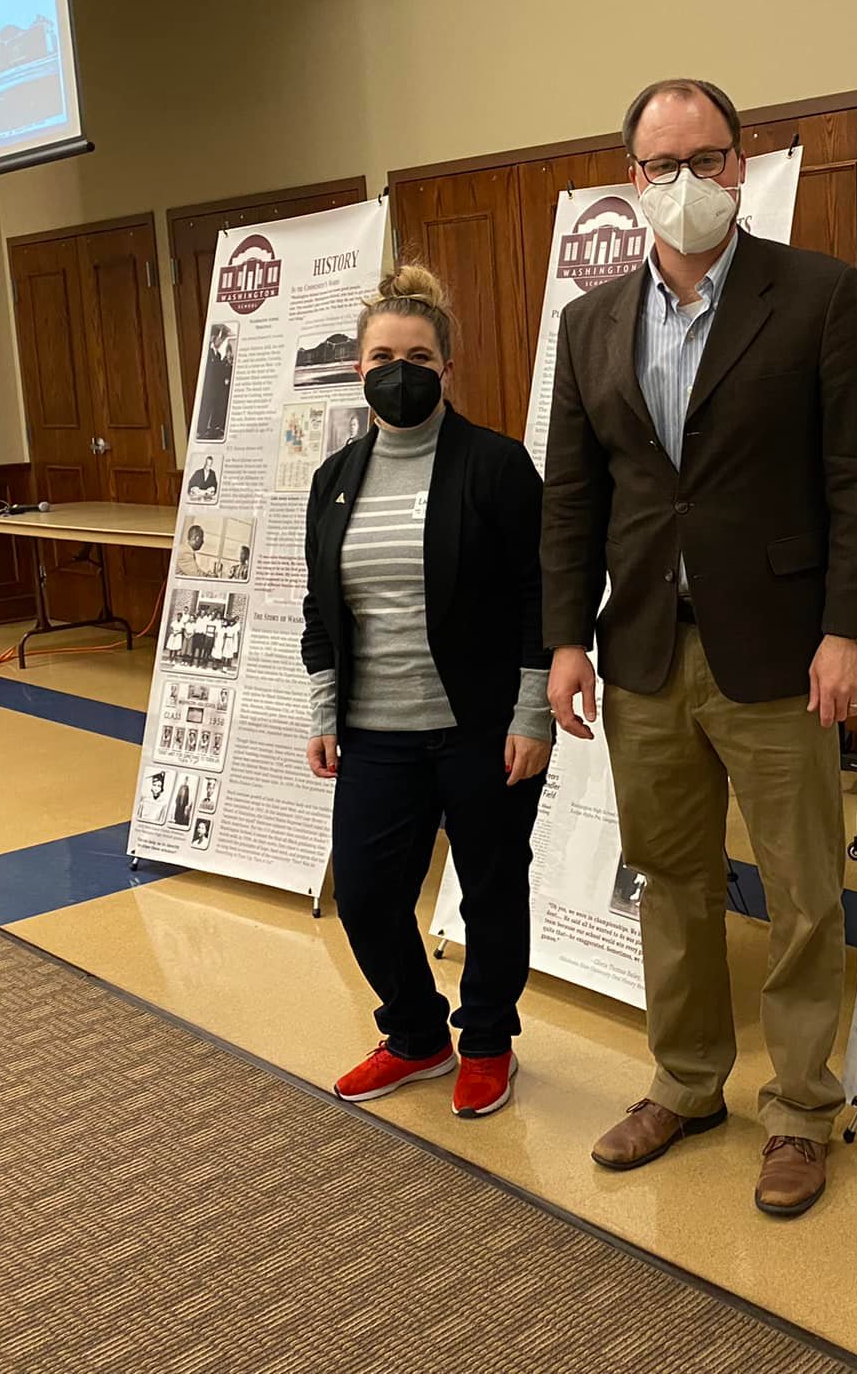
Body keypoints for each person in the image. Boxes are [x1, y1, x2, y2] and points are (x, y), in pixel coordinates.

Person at [542, 78, 857, 1216]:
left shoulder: (817, 296)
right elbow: (572, 496)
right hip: (644, 650)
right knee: (671, 880)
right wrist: (563, 638)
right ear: (631, 178)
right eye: (662, 164)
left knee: (801, 888)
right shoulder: (590, 323)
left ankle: (798, 1110)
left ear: (739, 165)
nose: (685, 181)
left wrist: (849, 629)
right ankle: (687, 1083)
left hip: (781, 650)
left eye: (705, 158)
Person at [301, 263, 553, 1120]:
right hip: (375, 731)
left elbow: (540, 597)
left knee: (491, 888)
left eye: (416, 357)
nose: (398, 372)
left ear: (447, 367)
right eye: (382, 357)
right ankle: (416, 1035)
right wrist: (323, 711)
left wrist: (532, 714)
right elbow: (322, 606)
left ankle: (486, 1041)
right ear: (358, 368)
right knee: (367, 895)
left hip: (483, 727)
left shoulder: (496, 465)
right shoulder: (335, 478)